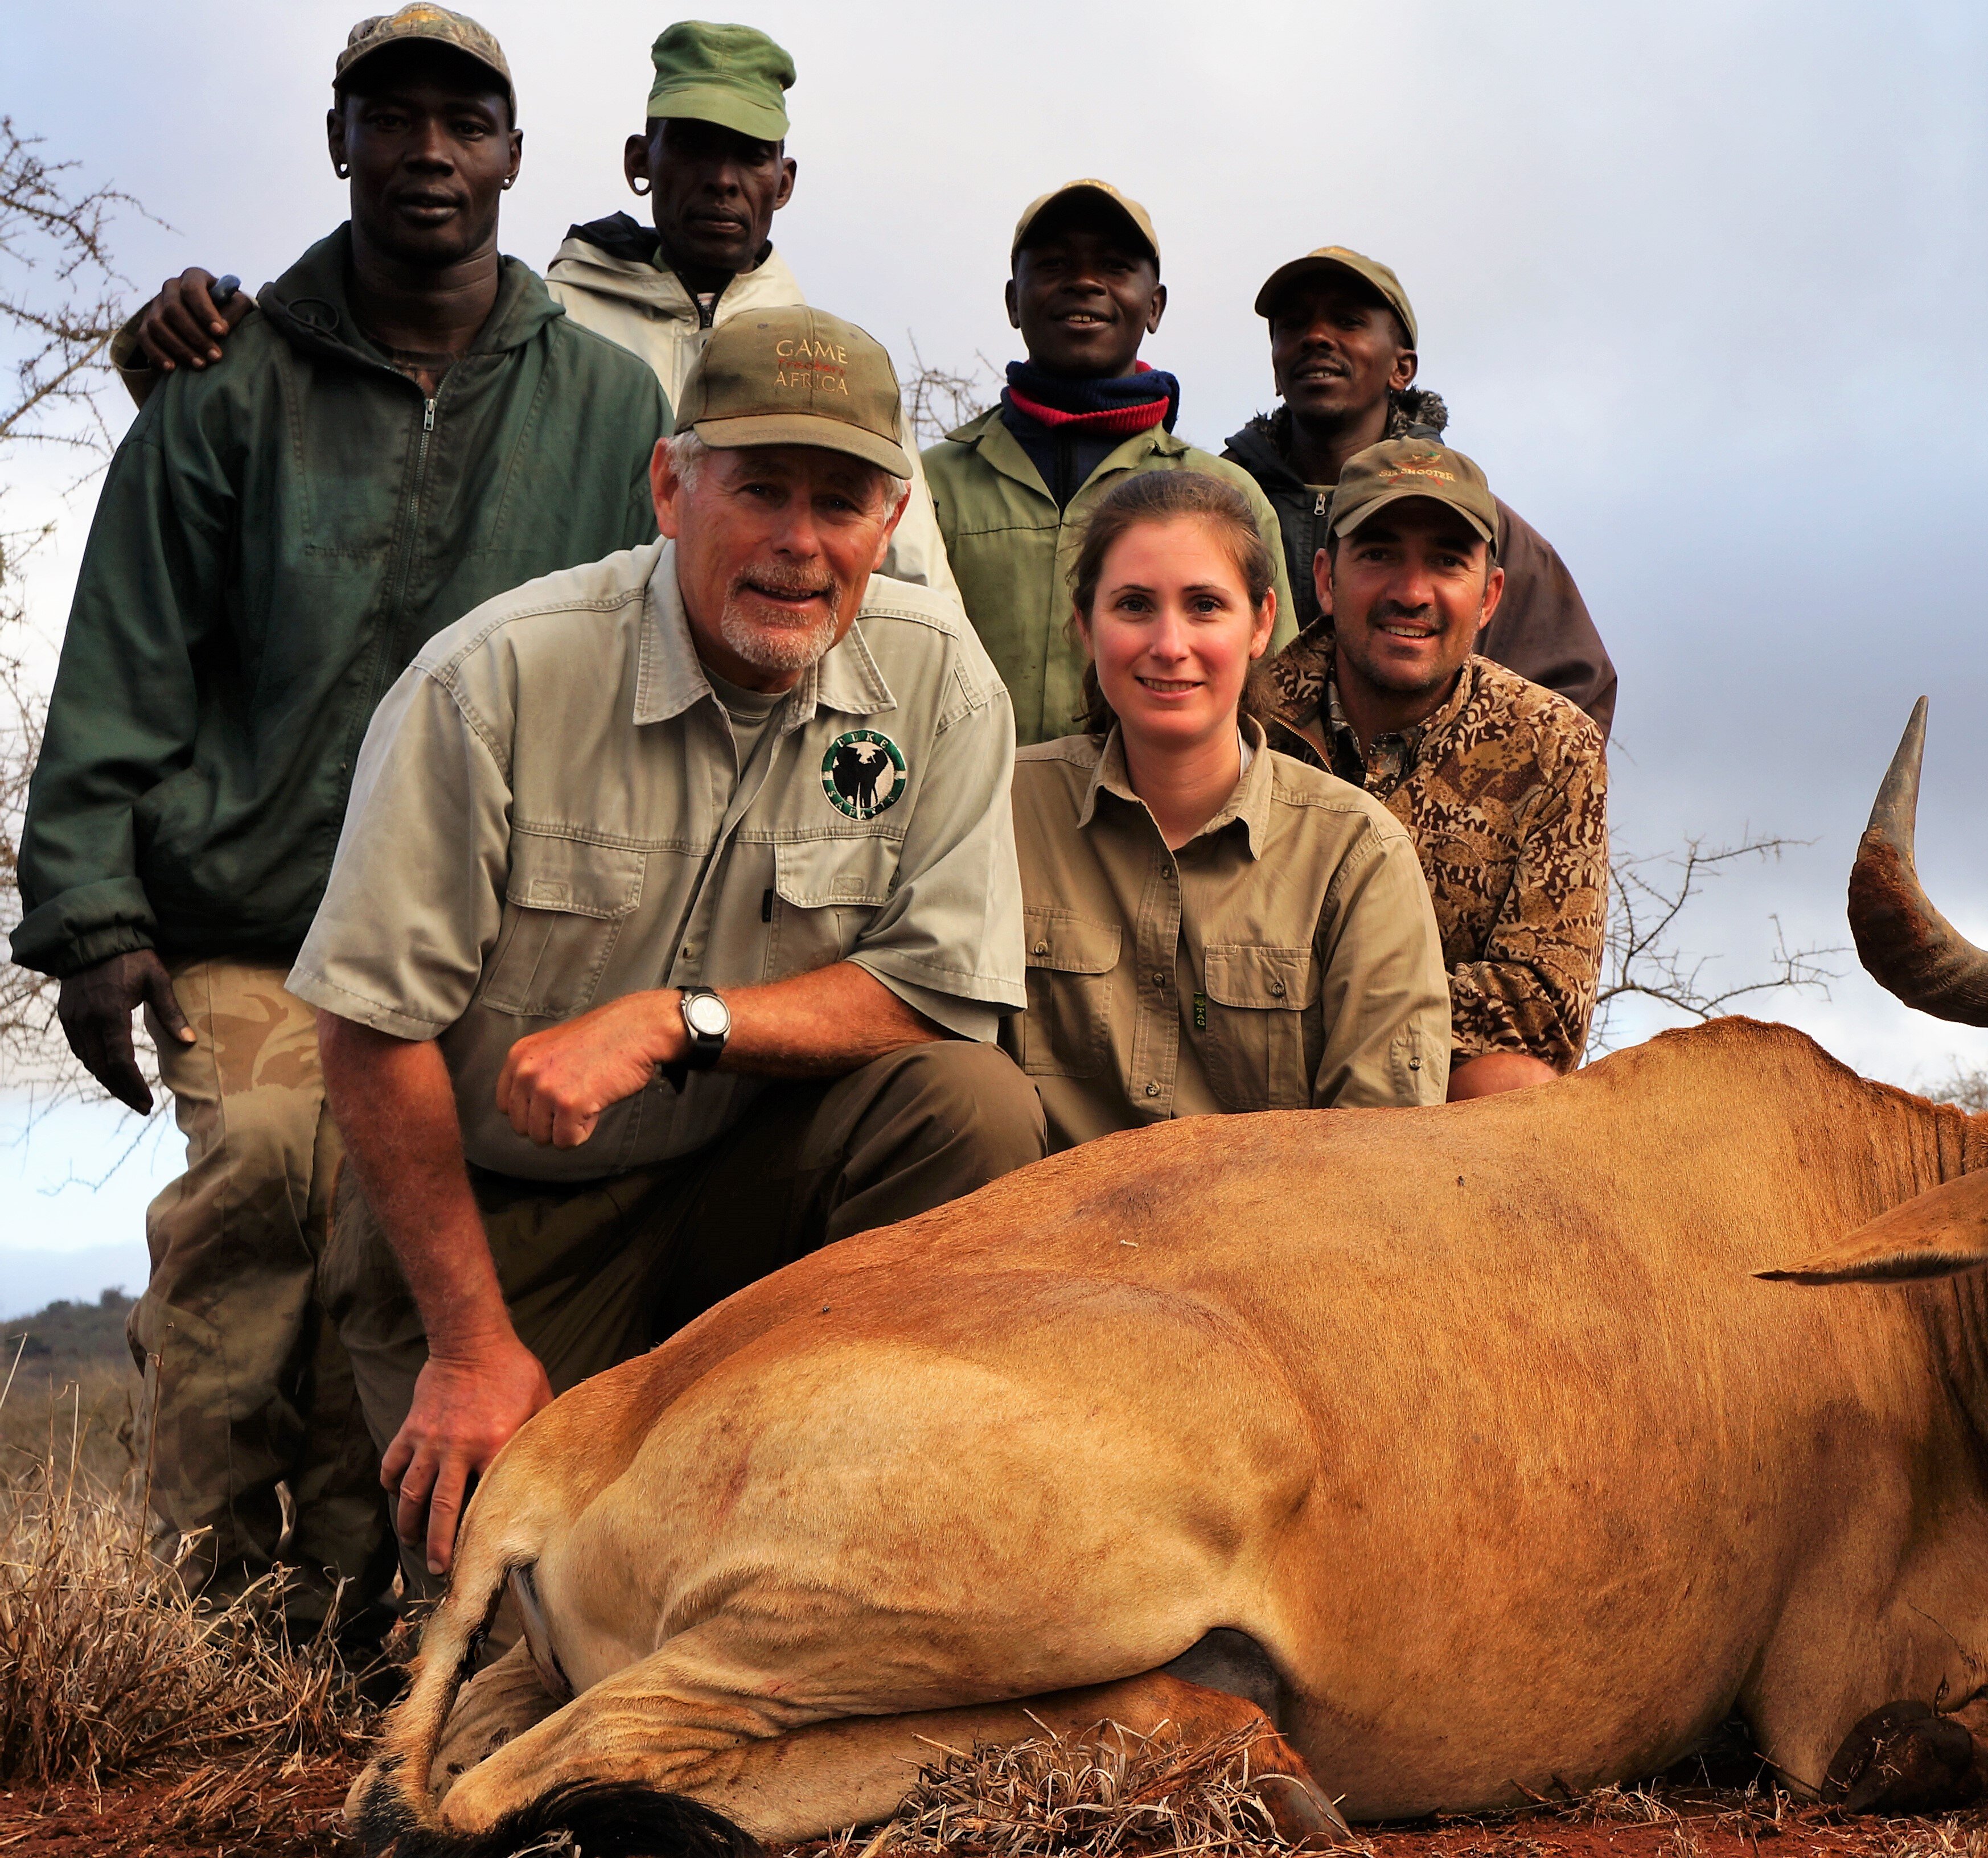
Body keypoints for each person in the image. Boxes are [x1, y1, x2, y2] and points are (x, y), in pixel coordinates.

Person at [9, 5, 671, 1641]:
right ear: (339, 143)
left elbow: (638, 673)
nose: (427, 153)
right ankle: (206, 1616)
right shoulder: (222, 381)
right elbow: (123, 648)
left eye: (464, 123)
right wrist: (90, 915)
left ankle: (369, 1615)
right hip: (255, 916)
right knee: (255, 1192)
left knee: (404, 1250)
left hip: (480, 932)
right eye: (392, 121)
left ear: (514, 158)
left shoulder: (605, 405)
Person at [286, 307, 1042, 1580]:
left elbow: (938, 990)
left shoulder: (945, 684)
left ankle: (869, 1494)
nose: (800, 545)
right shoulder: (492, 680)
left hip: (739, 1188)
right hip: (497, 1217)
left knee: (969, 1106)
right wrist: (469, 1344)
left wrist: (677, 1019)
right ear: (670, 486)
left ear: (892, 517)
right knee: (530, 1621)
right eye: (760, 490)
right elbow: (369, 1026)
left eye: (842, 503)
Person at [109, 21, 954, 590]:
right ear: (641, 159)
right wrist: (175, 342)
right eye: (694, 145)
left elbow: (909, 584)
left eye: (750, 154)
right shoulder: (541, 329)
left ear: (786, 180)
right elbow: (371, 468)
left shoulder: (836, 375)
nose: (723, 178)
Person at [1005, 470, 1448, 1149]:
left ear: (1261, 623)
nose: (1170, 644)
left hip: (1271, 1244)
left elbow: (1383, 1147)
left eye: (1205, 606)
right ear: (1085, 627)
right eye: (1133, 606)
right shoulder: (1004, 811)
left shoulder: (1357, 854)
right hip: (1028, 1241)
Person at [1266, 440, 1608, 1100]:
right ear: (1326, 579)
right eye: (1379, 554)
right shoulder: (1245, 718)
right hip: (1241, 1060)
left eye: (1447, 562)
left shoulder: (1553, 746)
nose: (1412, 593)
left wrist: (1342, 1005)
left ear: (1489, 598)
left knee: (1515, 1088)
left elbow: (1544, 1011)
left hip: (1423, 1084)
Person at [919, 180, 1295, 746]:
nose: (1085, 283)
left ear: (1154, 306)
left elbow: (1274, 704)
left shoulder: (1225, 496)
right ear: (1013, 302)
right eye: (1053, 266)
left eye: (1116, 268)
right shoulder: (927, 486)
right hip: (956, 826)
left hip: (1155, 827)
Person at [1225, 248, 1616, 737]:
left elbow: (1573, 707)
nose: (1317, 337)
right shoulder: (1215, 511)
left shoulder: (1484, 528)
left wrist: (1452, 795)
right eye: (1294, 325)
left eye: (1347, 321)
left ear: (1402, 367)